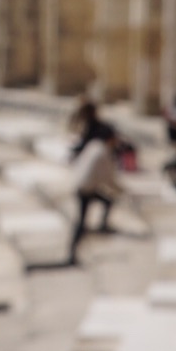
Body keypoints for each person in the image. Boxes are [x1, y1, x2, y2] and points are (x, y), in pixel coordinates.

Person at [67, 101, 125, 266]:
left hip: (82, 185)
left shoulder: (94, 145)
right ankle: (74, 251)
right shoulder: (102, 152)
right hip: (86, 188)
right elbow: (109, 179)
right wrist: (122, 190)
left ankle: (75, 250)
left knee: (88, 216)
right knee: (82, 221)